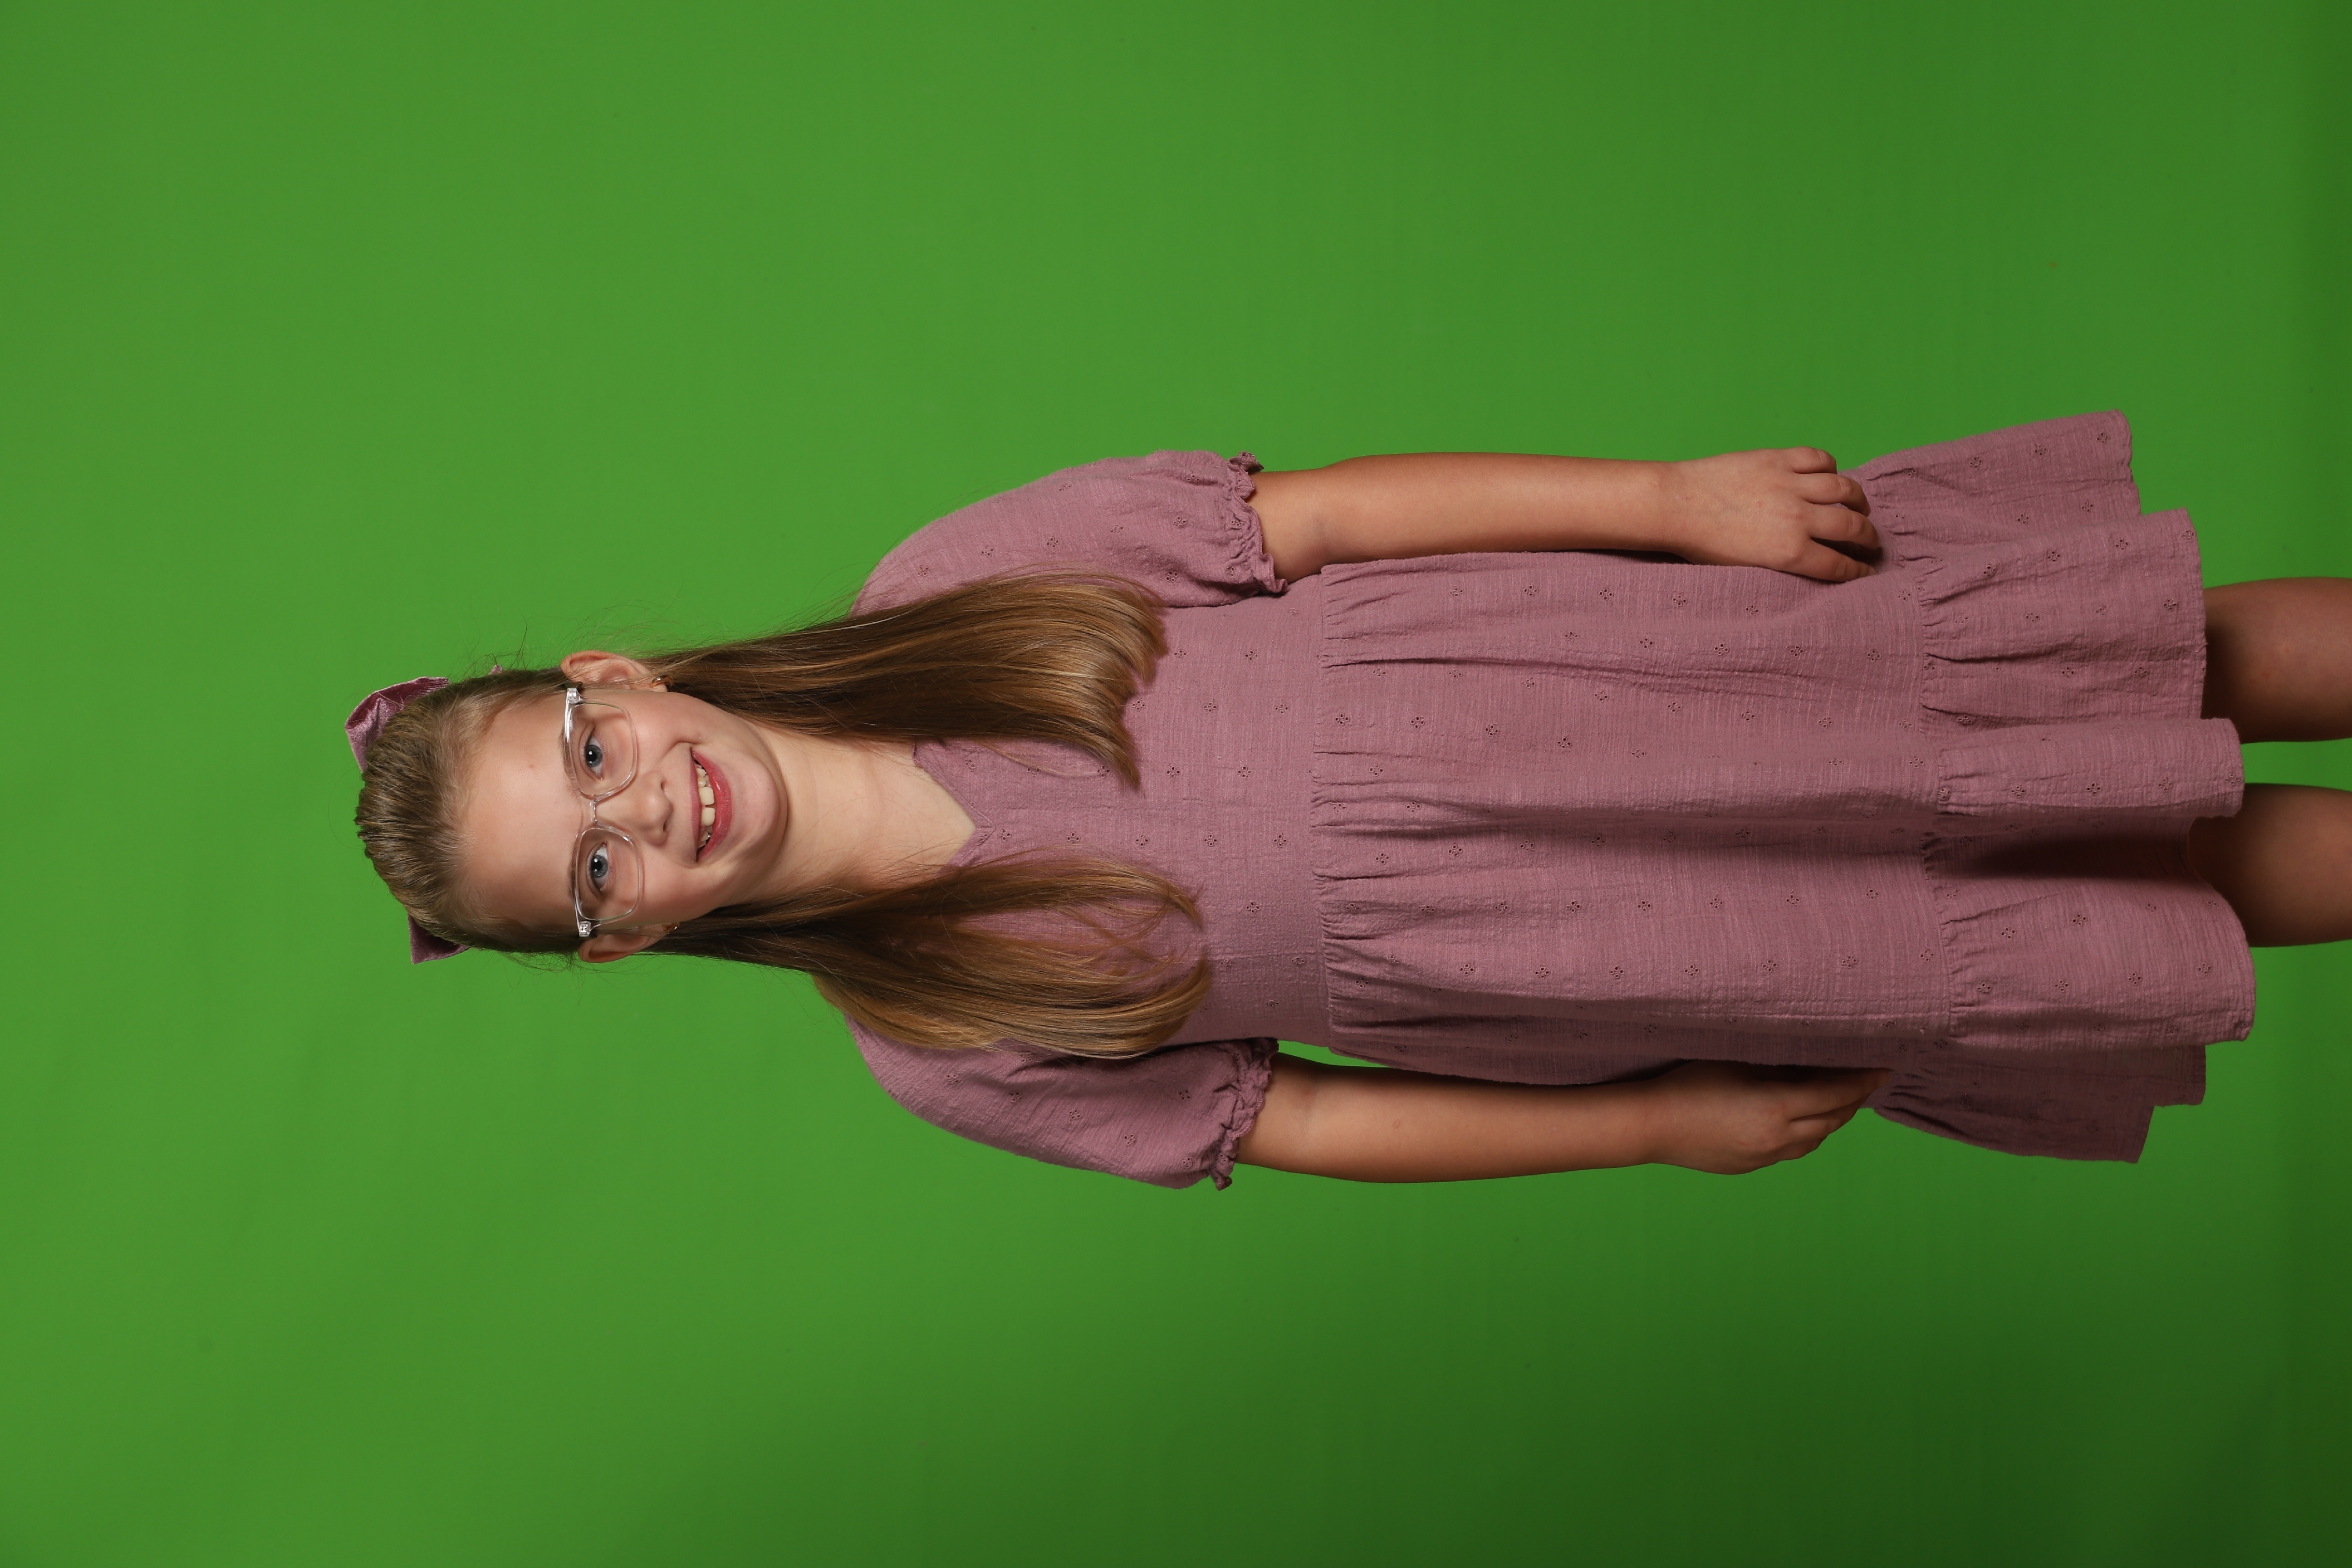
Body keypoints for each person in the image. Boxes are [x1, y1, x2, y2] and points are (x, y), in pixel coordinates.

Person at [349, 412, 2352, 1189]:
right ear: (622, 944)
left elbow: (1308, 526)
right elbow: (1295, 1118)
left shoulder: (945, 584)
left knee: (2155, 663)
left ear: (615, 679)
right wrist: (1652, 1122)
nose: (644, 815)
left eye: (588, 757)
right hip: (1593, 950)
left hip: (1626, 673)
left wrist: (1666, 503)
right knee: (2171, 875)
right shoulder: (939, 1037)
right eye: (591, 874)